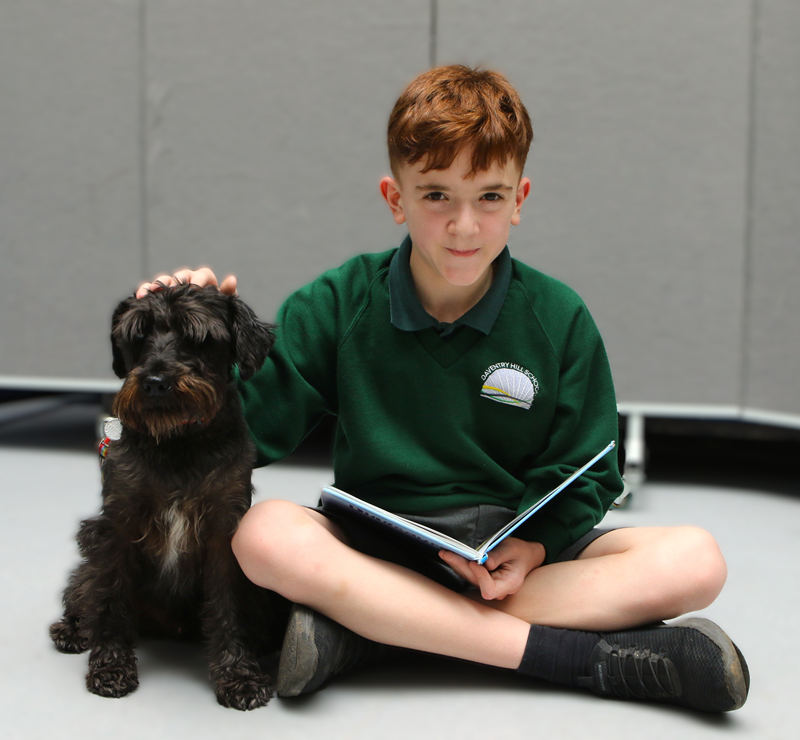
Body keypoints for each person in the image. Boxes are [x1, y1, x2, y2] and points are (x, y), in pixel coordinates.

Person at [138, 66, 749, 711]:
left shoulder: (560, 316)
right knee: (263, 535)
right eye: (436, 196)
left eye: (489, 197)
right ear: (395, 198)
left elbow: (591, 470)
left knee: (696, 560)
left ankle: (371, 630)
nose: (464, 227)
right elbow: (241, 437)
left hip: (510, 554)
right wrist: (195, 357)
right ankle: (571, 659)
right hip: (379, 546)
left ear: (520, 198)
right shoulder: (339, 302)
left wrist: (536, 544)